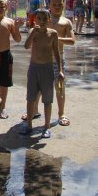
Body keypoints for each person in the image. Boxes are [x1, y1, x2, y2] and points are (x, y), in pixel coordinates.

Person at [21, 9, 62, 138]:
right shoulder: (33, 32)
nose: (42, 21)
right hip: (34, 68)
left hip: (47, 68)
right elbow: (26, 46)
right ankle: (29, 125)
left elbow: (56, 53)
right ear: (35, 19)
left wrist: (60, 70)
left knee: (48, 99)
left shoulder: (53, 34)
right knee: (30, 97)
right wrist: (33, 32)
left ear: (49, 20)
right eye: (39, 18)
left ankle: (46, 126)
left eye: (45, 19)